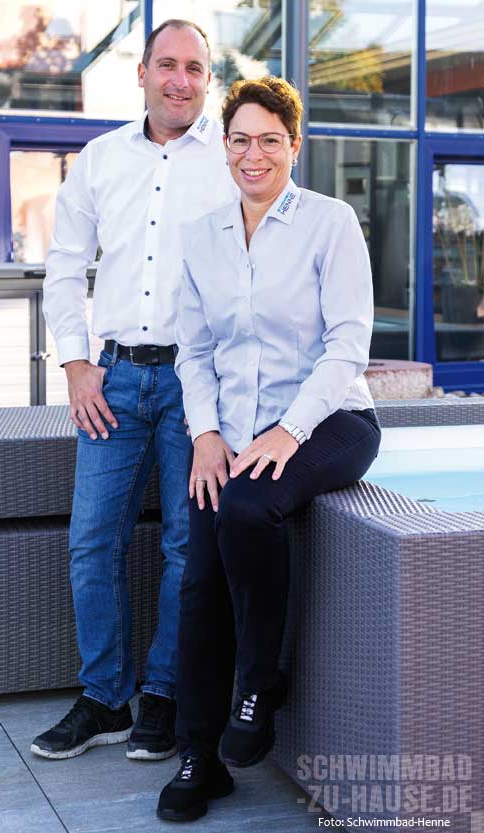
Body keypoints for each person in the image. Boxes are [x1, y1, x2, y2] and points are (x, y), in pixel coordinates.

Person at [157, 76, 382, 822]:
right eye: (240, 140)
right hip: (231, 432)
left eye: (270, 140)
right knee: (198, 580)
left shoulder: (330, 222)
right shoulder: (202, 236)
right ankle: (198, 758)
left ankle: (259, 682)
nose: (254, 155)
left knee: (248, 510)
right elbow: (193, 351)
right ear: (224, 147)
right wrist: (205, 434)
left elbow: (348, 345)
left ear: (295, 145)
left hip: (330, 420)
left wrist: (289, 430)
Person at [32, 19, 235, 762]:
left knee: (187, 545)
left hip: (196, 382)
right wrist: (73, 362)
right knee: (92, 540)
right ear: (142, 73)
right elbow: (64, 265)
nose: (180, 80)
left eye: (195, 68)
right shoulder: (99, 159)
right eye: (167, 65)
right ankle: (104, 698)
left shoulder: (231, 159)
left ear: (207, 80)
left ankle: (163, 695)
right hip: (111, 379)